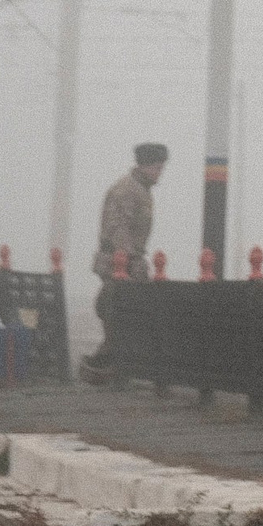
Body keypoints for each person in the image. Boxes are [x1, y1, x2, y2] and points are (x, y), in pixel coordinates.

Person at [80, 142, 167, 384]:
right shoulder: (127, 190)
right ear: (144, 165)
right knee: (118, 313)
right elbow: (118, 229)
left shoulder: (141, 189)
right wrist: (130, 263)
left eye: (161, 168)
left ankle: (104, 365)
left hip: (127, 260)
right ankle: (105, 366)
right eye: (157, 167)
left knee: (120, 314)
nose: (160, 173)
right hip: (117, 262)